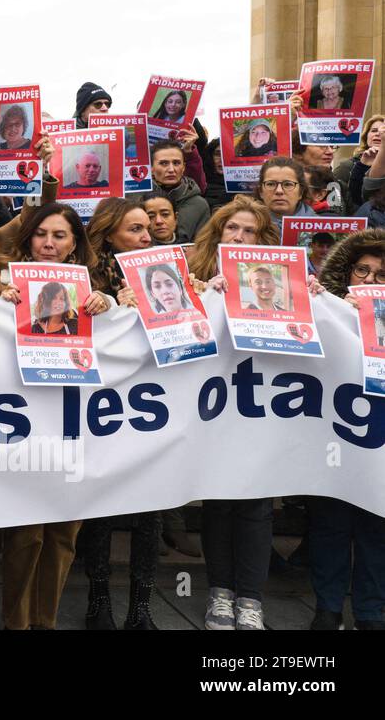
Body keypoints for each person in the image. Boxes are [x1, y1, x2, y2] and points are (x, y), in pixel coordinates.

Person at [0, 202, 110, 631]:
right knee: (26, 535)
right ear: (29, 238)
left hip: (74, 425)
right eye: (41, 233)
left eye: (59, 235)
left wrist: (110, 303)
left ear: (74, 243)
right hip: (24, 426)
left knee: (63, 535)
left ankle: (46, 622)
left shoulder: (92, 286)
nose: (49, 243)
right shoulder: (5, 279)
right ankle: (17, 623)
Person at [187, 197, 280, 630]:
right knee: (220, 503)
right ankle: (220, 593)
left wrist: (313, 295)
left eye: (249, 232)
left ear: (263, 241)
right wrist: (201, 294)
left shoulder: (283, 281)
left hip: (262, 406)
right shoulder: (196, 274)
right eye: (232, 229)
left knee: (257, 504)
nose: (239, 238)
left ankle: (251, 599)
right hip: (211, 408)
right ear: (218, 232)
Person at [83, 197, 164, 629]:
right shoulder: (87, 276)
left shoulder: (165, 271)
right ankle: (99, 601)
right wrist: (113, 303)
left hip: (153, 405)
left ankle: (142, 607)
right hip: (104, 406)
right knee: (102, 505)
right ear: (108, 232)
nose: (146, 236)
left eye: (148, 227)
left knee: (150, 507)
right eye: (135, 229)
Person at [309, 229, 385, 630]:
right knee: (330, 523)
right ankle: (328, 607)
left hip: (380, 437)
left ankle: (370, 612)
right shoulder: (327, 310)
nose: (370, 281)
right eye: (362, 270)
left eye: (380, 274)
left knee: (377, 523)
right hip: (333, 436)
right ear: (348, 272)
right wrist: (337, 310)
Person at [134, 140, 210, 240]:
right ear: (151, 168)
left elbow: (204, 246)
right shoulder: (135, 200)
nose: (171, 169)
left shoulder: (199, 205)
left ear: (183, 167)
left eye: (176, 163)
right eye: (164, 163)